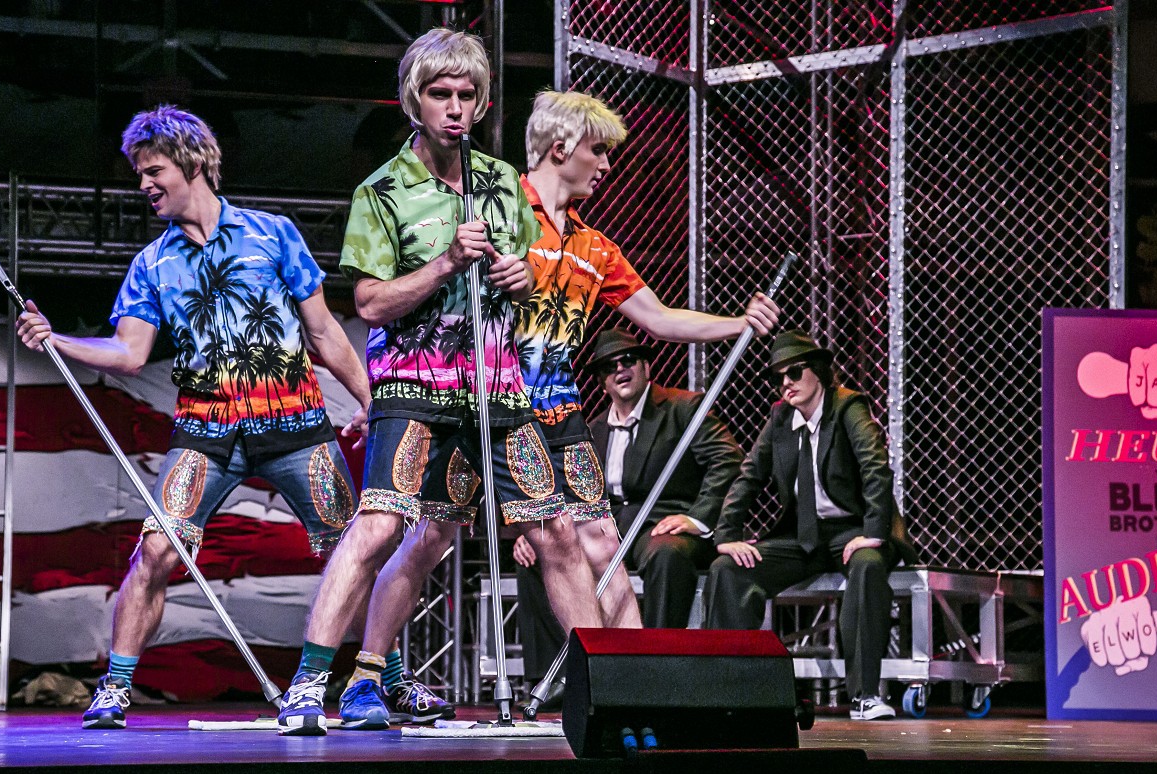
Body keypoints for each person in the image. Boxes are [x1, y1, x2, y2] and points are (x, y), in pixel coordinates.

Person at [276, 29, 601, 736]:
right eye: (439, 93)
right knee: (385, 524)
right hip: (415, 386)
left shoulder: (501, 186)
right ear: (413, 100)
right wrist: (447, 264)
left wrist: (519, 279)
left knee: (558, 530)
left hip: (498, 389)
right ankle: (309, 684)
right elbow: (367, 304)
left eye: (465, 94)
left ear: (481, 102)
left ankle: (599, 684)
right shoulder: (383, 191)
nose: (454, 107)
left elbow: (516, 283)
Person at [13, 105, 373, 730]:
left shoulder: (274, 234)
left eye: (153, 171)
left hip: (295, 425)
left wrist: (371, 403)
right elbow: (128, 353)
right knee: (155, 551)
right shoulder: (152, 263)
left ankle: (378, 678)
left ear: (194, 163)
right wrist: (58, 340)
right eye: (139, 175)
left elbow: (325, 335)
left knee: (355, 551)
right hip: (206, 435)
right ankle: (115, 688)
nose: (144, 185)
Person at [514, 90, 780, 641]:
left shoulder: (595, 247)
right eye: (599, 151)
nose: (607, 165)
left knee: (604, 544)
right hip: (502, 409)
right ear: (561, 148)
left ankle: (627, 676)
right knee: (427, 537)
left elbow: (658, 318)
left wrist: (739, 323)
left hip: (560, 413)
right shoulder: (502, 212)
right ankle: (370, 667)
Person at [513, 328, 744, 679]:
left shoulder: (682, 408)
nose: (620, 370)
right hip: (608, 527)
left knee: (668, 553)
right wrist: (541, 526)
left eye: (628, 360)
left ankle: (657, 669)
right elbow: (568, 489)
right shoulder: (591, 430)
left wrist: (697, 519)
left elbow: (728, 459)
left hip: (663, 524)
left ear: (647, 367)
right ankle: (560, 675)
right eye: (609, 367)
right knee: (535, 552)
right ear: (602, 382)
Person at [703, 328, 899, 721]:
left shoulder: (847, 407)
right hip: (802, 536)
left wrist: (874, 534)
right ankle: (728, 692)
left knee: (866, 567)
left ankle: (863, 695)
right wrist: (727, 536)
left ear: (820, 372)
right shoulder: (780, 419)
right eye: (778, 377)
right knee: (727, 570)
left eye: (794, 372)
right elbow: (748, 477)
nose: (786, 383)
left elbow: (876, 468)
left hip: (852, 530)